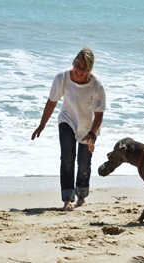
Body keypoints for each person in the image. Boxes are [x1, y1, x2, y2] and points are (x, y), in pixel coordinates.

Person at [31, 47, 106, 211]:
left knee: (84, 162)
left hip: (88, 126)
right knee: (67, 157)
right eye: (77, 65)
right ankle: (67, 198)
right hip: (67, 119)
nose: (79, 70)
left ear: (90, 69)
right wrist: (42, 124)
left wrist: (92, 135)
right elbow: (52, 102)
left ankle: (81, 195)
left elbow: (99, 115)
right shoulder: (62, 78)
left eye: (84, 68)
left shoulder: (96, 85)